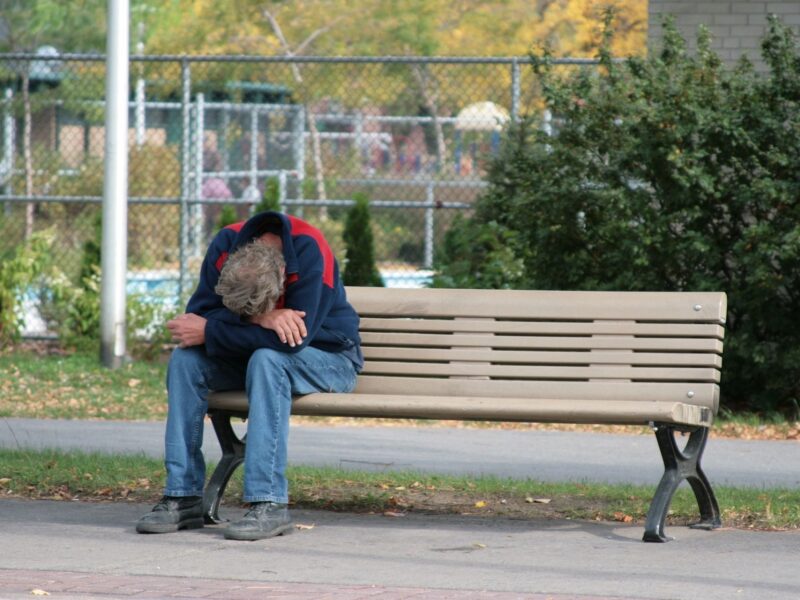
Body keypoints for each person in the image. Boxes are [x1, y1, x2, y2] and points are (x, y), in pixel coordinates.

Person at [136, 211, 363, 541]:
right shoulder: (226, 243)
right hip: (254, 355)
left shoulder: (311, 249)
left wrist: (216, 328)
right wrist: (260, 319)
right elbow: (199, 314)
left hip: (329, 358)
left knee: (269, 359)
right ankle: (182, 496)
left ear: (283, 275)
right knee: (185, 360)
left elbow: (292, 339)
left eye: (256, 310)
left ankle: (268, 503)